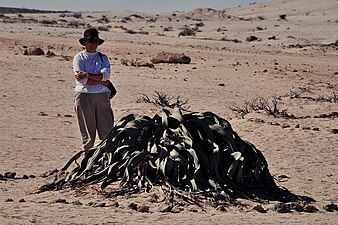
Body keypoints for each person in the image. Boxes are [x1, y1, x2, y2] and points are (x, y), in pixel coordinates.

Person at [72, 28, 114, 151]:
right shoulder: (79, 58)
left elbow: (106, 77)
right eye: (91, 41)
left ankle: (106, 159)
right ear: (84, 43)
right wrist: (100, 80)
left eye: (96, 42)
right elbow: (83, 81)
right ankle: (87, 161)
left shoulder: (103, 58)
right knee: (88, 135)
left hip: (102, 96)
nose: (93, 44)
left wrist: (88, 75)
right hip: (84, 96)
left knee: (107, 132)